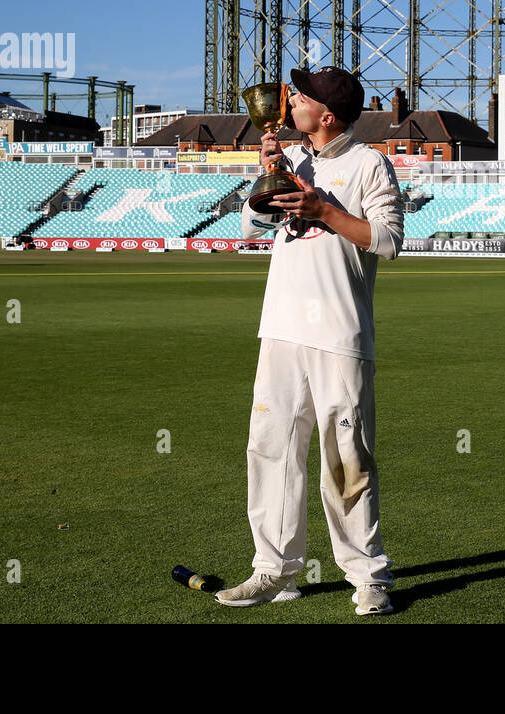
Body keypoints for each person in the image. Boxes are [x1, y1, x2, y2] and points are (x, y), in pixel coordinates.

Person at [217, 65, 404, 616]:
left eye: (299, 96)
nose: (288, 100)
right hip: (279, 329)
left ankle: (369, 579)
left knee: (347, 457)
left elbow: (389, 242)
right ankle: (274, 571)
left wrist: (323, 209)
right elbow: (251, 230)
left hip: (339, 334)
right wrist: (266, 178)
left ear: (326, 114)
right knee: (271, 451)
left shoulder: (369, 163)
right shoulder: (290, 158)